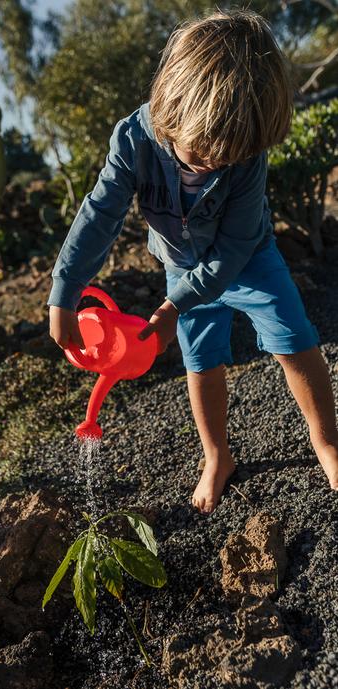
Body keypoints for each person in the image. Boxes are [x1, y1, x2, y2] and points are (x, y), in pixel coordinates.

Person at [47, 8, 338, 514]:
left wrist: (171, 307)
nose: (213, 163)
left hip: (247, 258)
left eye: (227, 158)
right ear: (169, 105)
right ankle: (217, 455)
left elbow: (232, 250)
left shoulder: (245, 156)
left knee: (292, 336)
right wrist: (65, 289)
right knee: (200, 360)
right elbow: (100, 215)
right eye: (201, 152)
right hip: (180, 262)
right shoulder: (134, 139)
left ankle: (327, 441)